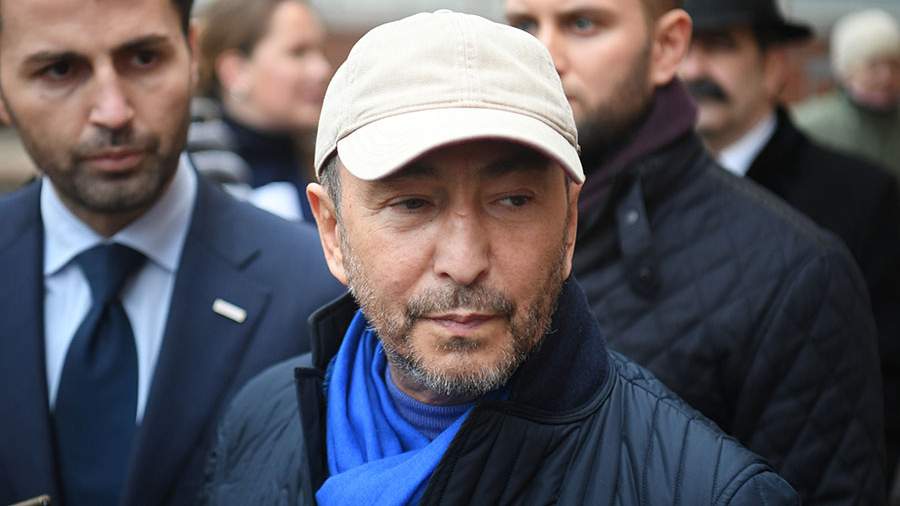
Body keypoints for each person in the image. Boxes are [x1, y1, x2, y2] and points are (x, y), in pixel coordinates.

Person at [201, 11, 799, 505]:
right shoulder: (260, 419)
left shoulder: (709, 491)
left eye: (513, 200)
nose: (464, 262)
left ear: (569, 223)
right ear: (332, 232)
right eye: (412, 204)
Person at [503, 0, 885, 504]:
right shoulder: (471, 233)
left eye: (583, 23)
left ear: (666, 47)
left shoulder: (799, 272)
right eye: (525, 25)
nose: (544, 54)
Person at [0, 0, 344, 505]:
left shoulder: (316, 292)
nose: (113, 112)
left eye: (144, 59)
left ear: (193, 55)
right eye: (60, 70)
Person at [680, 0, 900, 489]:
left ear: (774, 66)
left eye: (720, 45)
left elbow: (883, 390)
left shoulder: (863, 198)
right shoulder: (634, 196)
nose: (693, 70)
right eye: (684, 47)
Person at [191, 0, 332, 221]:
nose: (321, 69)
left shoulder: (333, 162)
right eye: (298, 53)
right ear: (236, 71)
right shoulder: (191, 177)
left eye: (320, 51)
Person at [794, 9, 900, 179]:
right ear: (846, 71)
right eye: (873, 66)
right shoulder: (808, 127)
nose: (886, 76)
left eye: (895, 65)